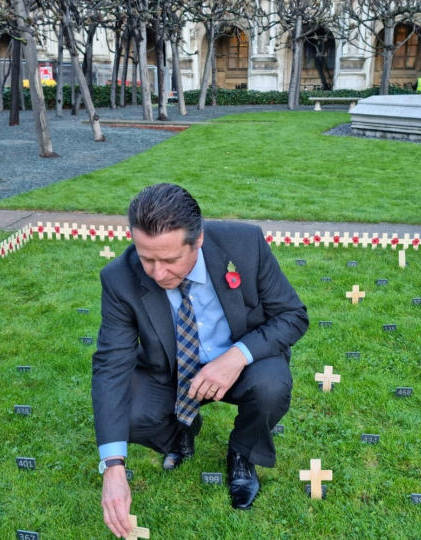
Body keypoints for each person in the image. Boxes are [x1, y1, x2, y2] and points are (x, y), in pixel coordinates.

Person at [92, 183, 309, 538]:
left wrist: (237, 357)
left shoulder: (246, 245)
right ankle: (182, 430)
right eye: (147, 258)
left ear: (199, 240)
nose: (157, 274)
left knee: (272, 385)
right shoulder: (118, 278)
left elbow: (293, 316)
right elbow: (110, 367)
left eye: (170, 260)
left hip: (242, 365)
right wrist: (113, 466)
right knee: (128, 412)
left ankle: (242, 454)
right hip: (172, 373)